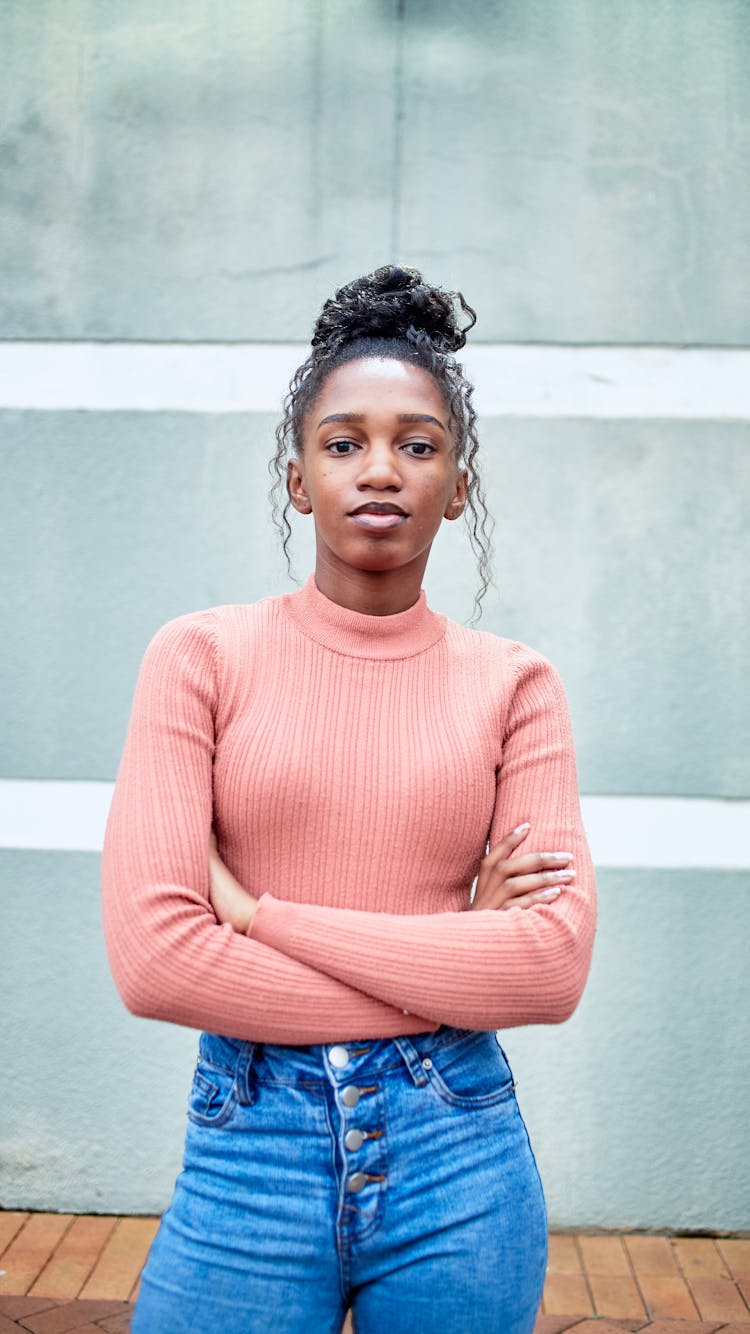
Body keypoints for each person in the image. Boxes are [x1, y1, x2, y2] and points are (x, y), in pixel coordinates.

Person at [101, 265, 596, 1334]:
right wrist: (457, 947)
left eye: (417, 443)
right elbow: (153, 960)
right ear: (298, 478)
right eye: (343, 442)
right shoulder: (199, 657)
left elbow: (550, 965)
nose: (381, 469)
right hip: (251, 1142)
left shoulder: (516, 683)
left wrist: (256, 913)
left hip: (457, 1153)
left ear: (457, 482)